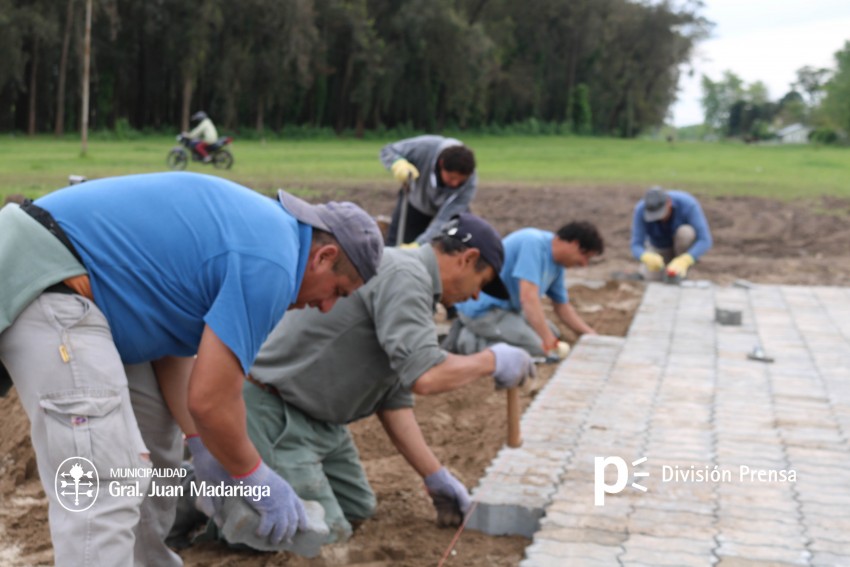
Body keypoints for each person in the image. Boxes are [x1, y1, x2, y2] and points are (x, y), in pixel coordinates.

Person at [0, 171, 383, 566]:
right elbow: (213, 400)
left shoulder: (262, 234)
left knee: (158, 455)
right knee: (107, 481)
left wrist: (200, 443)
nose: (326, 307)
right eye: (337, 292)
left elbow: (169, 336)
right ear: (324, 257)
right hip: (48, 272)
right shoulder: (275, 263)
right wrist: (255, 476)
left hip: (95, 298)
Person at [174, 212, 536, 548]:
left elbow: (394, 401)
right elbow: (427, 376)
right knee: (315, 536)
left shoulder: (412, 285)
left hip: (322, 424)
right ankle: (201, 494)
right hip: (274, 412)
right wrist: (492, 360)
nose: (475, 296)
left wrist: (434, 476)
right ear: (468, 258)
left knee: (358, 508)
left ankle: (221, 488)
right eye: (481, 284)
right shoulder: (407, 278)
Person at [444, 222, 604, 359]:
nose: (584, 264)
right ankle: (464, 340)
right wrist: (548, 342)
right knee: (539, 349)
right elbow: (528, 298)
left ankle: (480, 334)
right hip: (482, 311)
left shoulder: (558, 264)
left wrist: (590, 335)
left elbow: (562, 307)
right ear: (575, 244)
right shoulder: (533, 243)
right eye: (585, 257)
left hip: (508, 311)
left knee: (553, 333)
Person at [380, 135, 477, 246]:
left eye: (460, 181)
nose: (455, 184)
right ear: (441, 164)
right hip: (415, 201)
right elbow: (388, 150)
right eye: (451, 178)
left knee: (455, 247)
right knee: (395, 244)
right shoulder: (425, 147)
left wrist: (419, 244)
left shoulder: (470, 183)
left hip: (449, 210)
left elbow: (443, 221)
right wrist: (397, 163)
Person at [631, 186, 712, 281]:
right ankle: (667, 269)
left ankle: (684, 270)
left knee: (686, 232)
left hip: (682, 248)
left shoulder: (688, 204)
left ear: (668, 203)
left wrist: (686, 260)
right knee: (650, 278)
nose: (659, 218)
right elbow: (636, 245)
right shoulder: (641, 210)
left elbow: (705, 240)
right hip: (659, 248)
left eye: (660, 213)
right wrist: (645, 256)